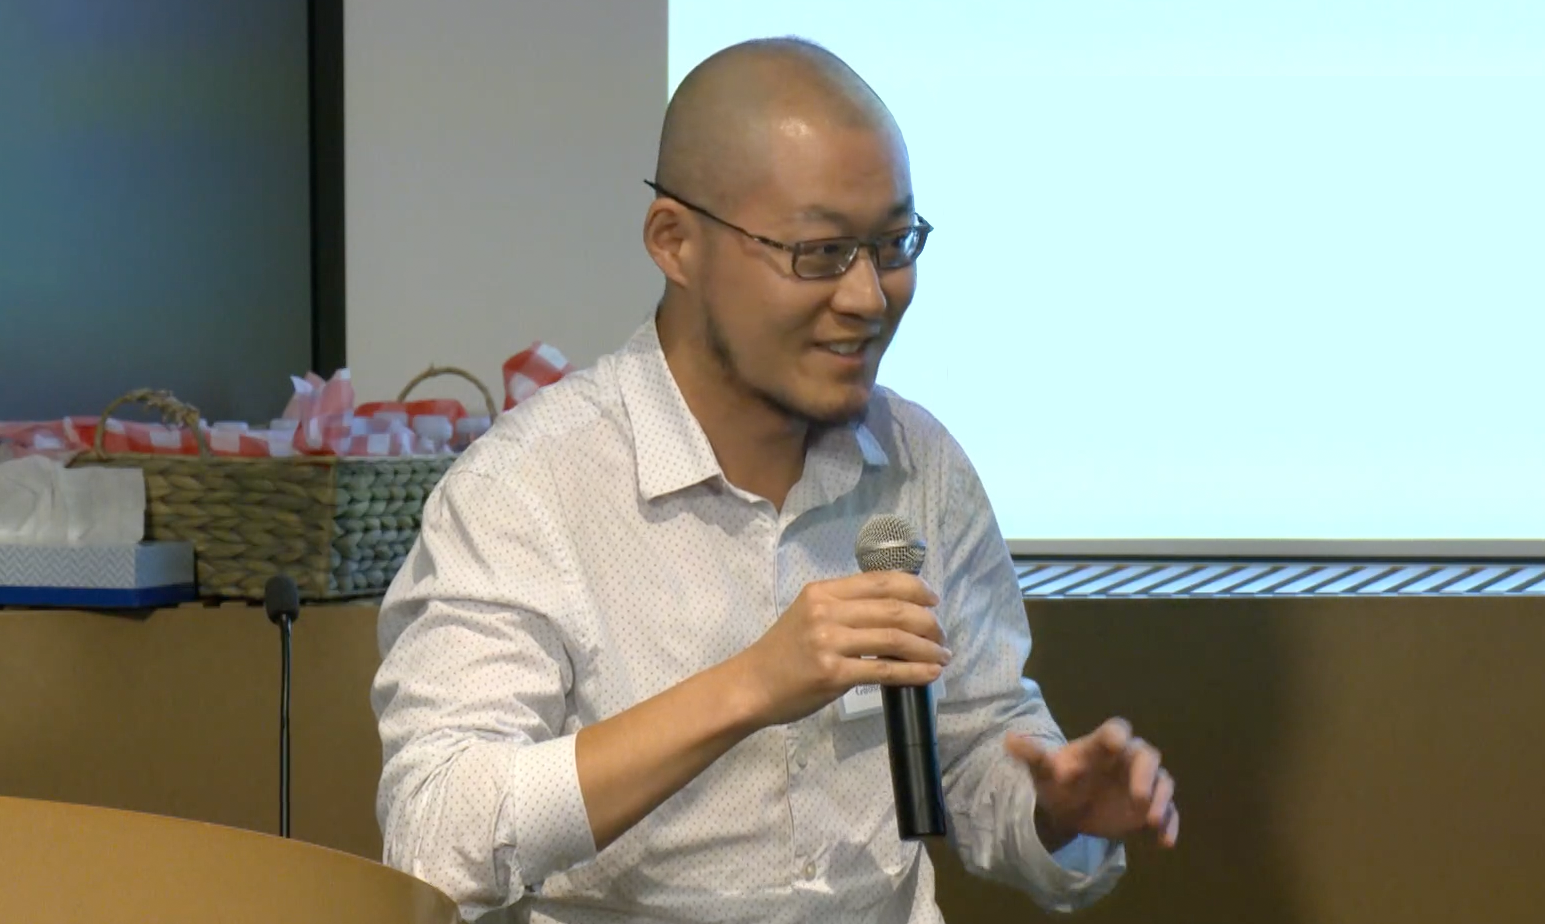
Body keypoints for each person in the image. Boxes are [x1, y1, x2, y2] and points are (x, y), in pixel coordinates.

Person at [372, 37, 1179, 924]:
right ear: (675, 242)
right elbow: (434, 833)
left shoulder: (920, 462)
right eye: (819, 252)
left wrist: (1055, 811)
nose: (869, 296)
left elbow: (978, 747)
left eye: (893, 244)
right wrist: (750, 686)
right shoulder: (527, 488)